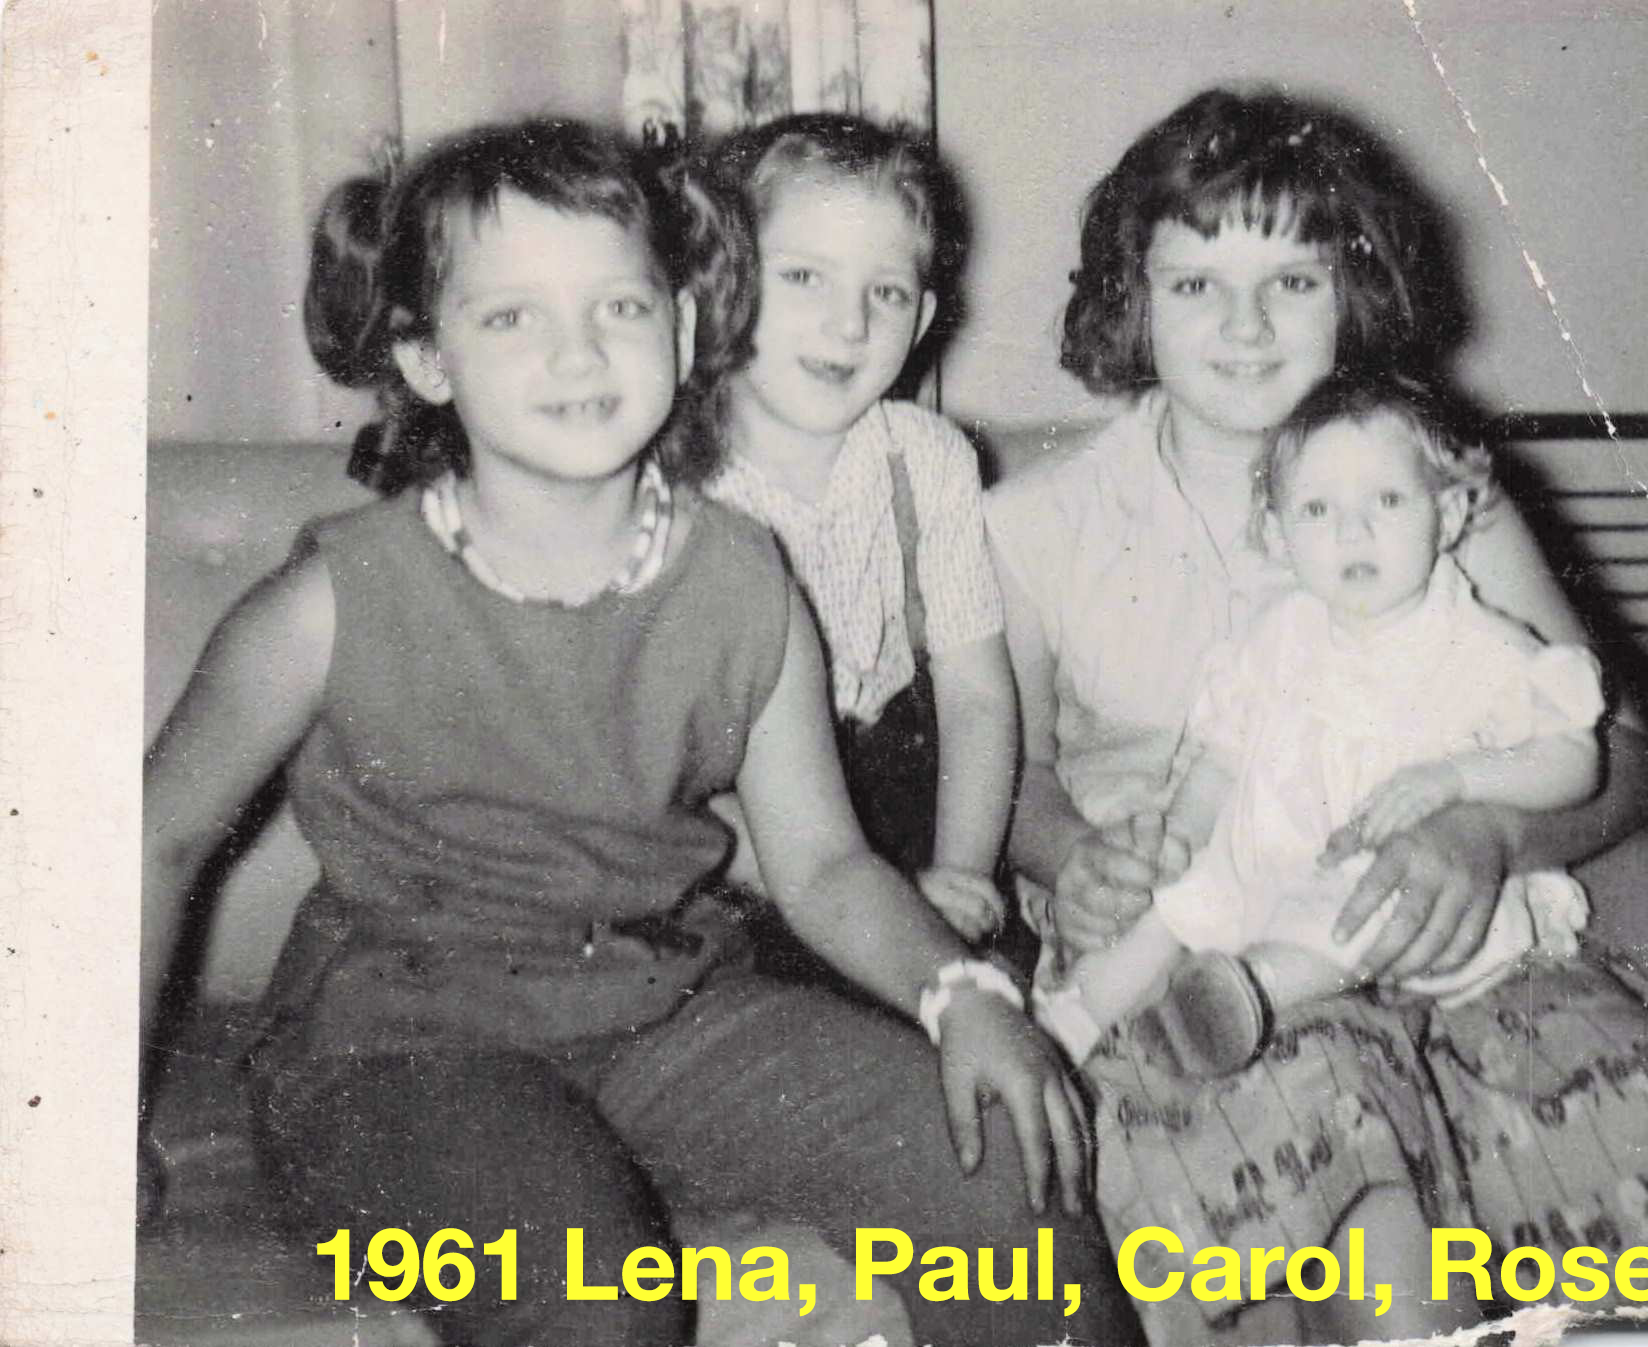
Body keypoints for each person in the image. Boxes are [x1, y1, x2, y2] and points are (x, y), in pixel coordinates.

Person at [139, 117, 1137, 1347]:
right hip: (401, 1046)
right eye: (513, 316)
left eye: (618, 306)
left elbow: (824, 867)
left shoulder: (744, 575)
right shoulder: (330, 601)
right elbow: (156, 842)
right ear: (427, 358)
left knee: (1001, 1167)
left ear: (682, 326)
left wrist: (962, 993)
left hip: (668, 1005)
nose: (578, 353)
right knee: (595, 1294)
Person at [985, 87, 1648, 1343]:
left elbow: (1624, 752)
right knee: (1380, 1250)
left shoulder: (1440, 495)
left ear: (1352, 289)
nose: (1244, 327)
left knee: (1638, 1191)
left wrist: (1489, 837)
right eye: (1194, 285)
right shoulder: (1034, 522)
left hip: (1451, 926)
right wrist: (1071, 858)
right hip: (1198, 937)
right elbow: (1009, 779)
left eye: (1291, 283)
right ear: (1131, 299)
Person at [1033, 373, 1606, 1085]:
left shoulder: (1481, 647)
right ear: (1279, 536)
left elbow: (1576, 759)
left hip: (1393, 879)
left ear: (1450, 512)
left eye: (1387, 501)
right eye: (1317, 509)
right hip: (1272, 854)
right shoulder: (1280, 635)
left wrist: (1458, 780)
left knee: (1351, 919)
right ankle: (1073, 1021)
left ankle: (1247, 995)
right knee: (1180, 904)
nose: (1351, 531)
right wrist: (1179, 835)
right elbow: (1223, 757)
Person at [697, 113, 1011, 943]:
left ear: (923, 316)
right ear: (726, 282)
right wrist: (884, 906)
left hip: (915, 824)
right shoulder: (679, 485)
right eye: (805, 277)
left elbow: (977, 700)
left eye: (887, 292)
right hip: (748, 863)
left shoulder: (929, 461)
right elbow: (668, 788)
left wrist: (963, 877)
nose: (850, 324)